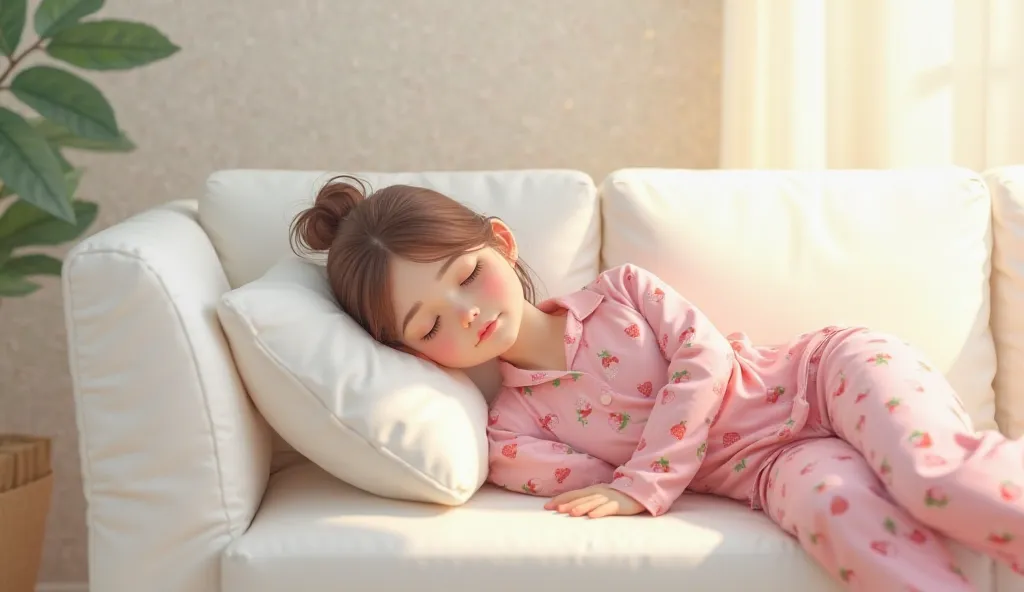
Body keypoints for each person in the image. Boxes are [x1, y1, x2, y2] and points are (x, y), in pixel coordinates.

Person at [290, 175, 1024, 591]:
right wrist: (639, 482)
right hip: (768, 468)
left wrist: (646, 479)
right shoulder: (511, 434)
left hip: (826, 374)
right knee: (841, 516)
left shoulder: (624, 291)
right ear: (412, 355)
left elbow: (703, 361)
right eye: (428, 325)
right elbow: (596, 482)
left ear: (501, 242)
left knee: (932, 477)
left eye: (466, 276)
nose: (469, 313)